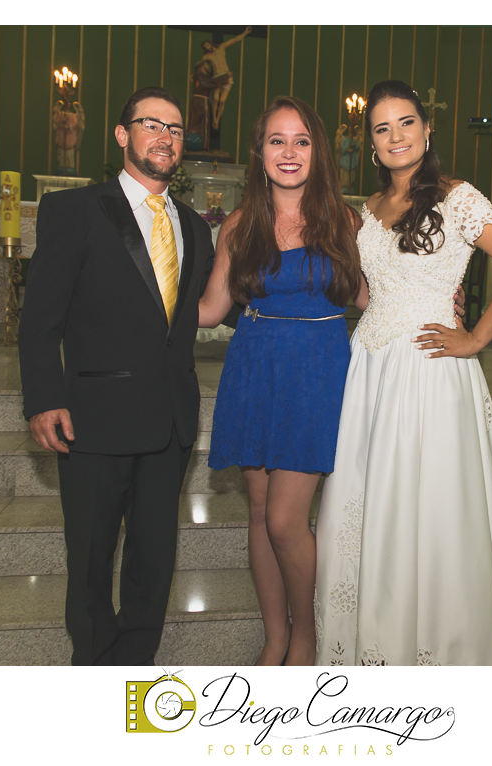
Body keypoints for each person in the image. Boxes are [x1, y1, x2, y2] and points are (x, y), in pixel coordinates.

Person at [313, 80, 492, 666]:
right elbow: (370, 291)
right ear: (370, 142)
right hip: (369, 368)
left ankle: (441, 647)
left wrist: (475, 337)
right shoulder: (367, 210)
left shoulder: (458, 197)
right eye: (383, 128)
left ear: (427, 129)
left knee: (432, 506)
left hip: (431, 368)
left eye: (406, 123)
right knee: (369, 507)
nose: (396, 137)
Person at [19, 86, 219, 666]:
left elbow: (204, 308)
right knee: (89, 559)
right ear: (122, 134)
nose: (165, 137)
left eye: (176, 129)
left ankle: (134, 672)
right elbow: (41, 320)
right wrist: (43, 398)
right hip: (93, 420)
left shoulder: (194, 227)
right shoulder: (75, 210)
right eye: (151, 124)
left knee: (154, 563)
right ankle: (91, 668)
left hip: (169, 423)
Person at [199, 96, 363, 666]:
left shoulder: (345, 221)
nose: (289, 152)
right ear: (259, 151)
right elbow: (210, 308)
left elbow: (373, 296)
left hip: (316, 371)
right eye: (277, 140)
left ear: (317, 151)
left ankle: (307, 637)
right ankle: (274, 637)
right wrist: (140, 287)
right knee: (257, 511)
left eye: (301, 141)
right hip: (254, 367)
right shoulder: (241, 224)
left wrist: (437, 298)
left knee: (285, 518)